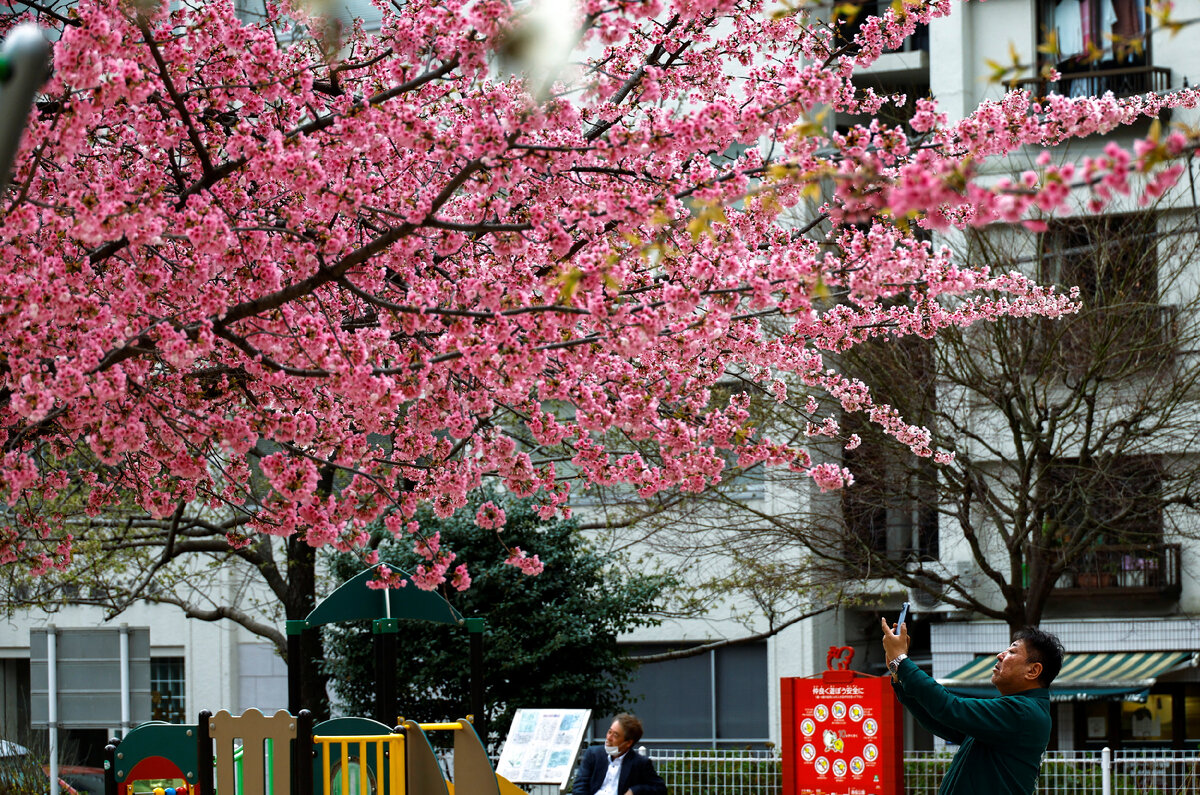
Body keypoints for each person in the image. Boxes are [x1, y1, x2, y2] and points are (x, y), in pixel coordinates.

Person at [881, 618, 1064, 795]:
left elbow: (950, 707)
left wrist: (901, 661)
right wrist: (898, 673)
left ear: (1033, 671)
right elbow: (943, 721)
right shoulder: (1022, 711)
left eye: (1012, 652)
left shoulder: (1023, 712)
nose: (1000, 655)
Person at [572, 713, 667, 795]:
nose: (609, 738)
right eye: (609, 732)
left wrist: (635, 791)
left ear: (628, 743)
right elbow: (580, 786)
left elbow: (660, 789)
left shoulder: (640, 763)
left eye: (615, 735)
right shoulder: (593, 754)